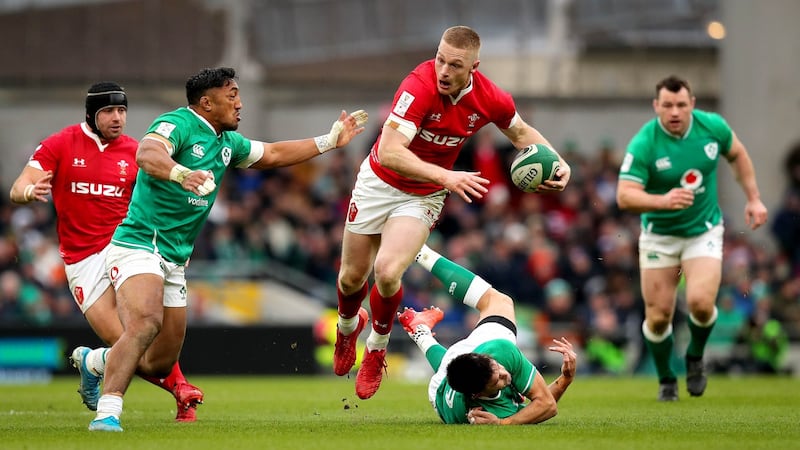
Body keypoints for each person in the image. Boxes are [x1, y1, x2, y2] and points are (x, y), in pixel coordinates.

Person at [75, 67, 368, 432]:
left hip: (175, 260)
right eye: (232, 96)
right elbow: (147, 154)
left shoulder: (227, 142)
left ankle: (95, 362)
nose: (240, 104)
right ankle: (108, 413)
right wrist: (182, 174)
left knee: (159, 364)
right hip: (139, 244)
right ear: (206, 102)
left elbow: (273, 153)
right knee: (145, 323)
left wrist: (329, 140)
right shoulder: (177, 123)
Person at [332, 25, 571, 400]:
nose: (443, 70)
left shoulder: (491, 98)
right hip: (378, 181)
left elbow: (522, 133)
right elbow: (392, 150)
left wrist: (560, 164)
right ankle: (348, 327)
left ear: (474, 67)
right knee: (350, 279)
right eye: (440, 59)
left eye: (454, 65)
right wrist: (448, 174)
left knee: (388, 271)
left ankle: (376, 346)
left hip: (423, 195)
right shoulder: (418, 86)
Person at [8, 82, 204, 422]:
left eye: (122, 111)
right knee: (129, 342)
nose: (118, 118)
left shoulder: (135, 151)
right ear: (91, 114)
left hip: (127, 248)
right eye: (109, 111)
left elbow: (159, 203)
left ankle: (177, 389)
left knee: (143, 331)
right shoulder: (61, 144)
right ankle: (96, 362)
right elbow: (19, 186)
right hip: (82, 261)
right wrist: (29, 192)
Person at [616, 75, 768, 401]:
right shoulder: (645, 142)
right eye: (667, 105)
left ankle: (695, 357)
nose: (674, 111)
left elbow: (738, 154)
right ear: (656, 106)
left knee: (701, 303)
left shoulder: (713, 127)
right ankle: (666, 378)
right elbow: (624, 196)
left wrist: (753, 197)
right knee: (657, 319)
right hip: (659, 236)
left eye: (681, 105)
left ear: (692, 105)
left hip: (703, 231)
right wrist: (663, 200)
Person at [398, 244, 576, 425]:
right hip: (439, 391)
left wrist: (504, 421)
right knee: (450, 363)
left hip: (462, 362)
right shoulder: (487, 412)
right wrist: (565, 379)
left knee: (499, 302)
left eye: (497, 368)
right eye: (497, 380)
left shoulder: (500, 351)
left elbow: (543, 404)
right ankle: (420, 332)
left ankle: (419, 250)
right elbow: (544, 407)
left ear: (484, 357)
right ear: (477, 395)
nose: (504, 374)